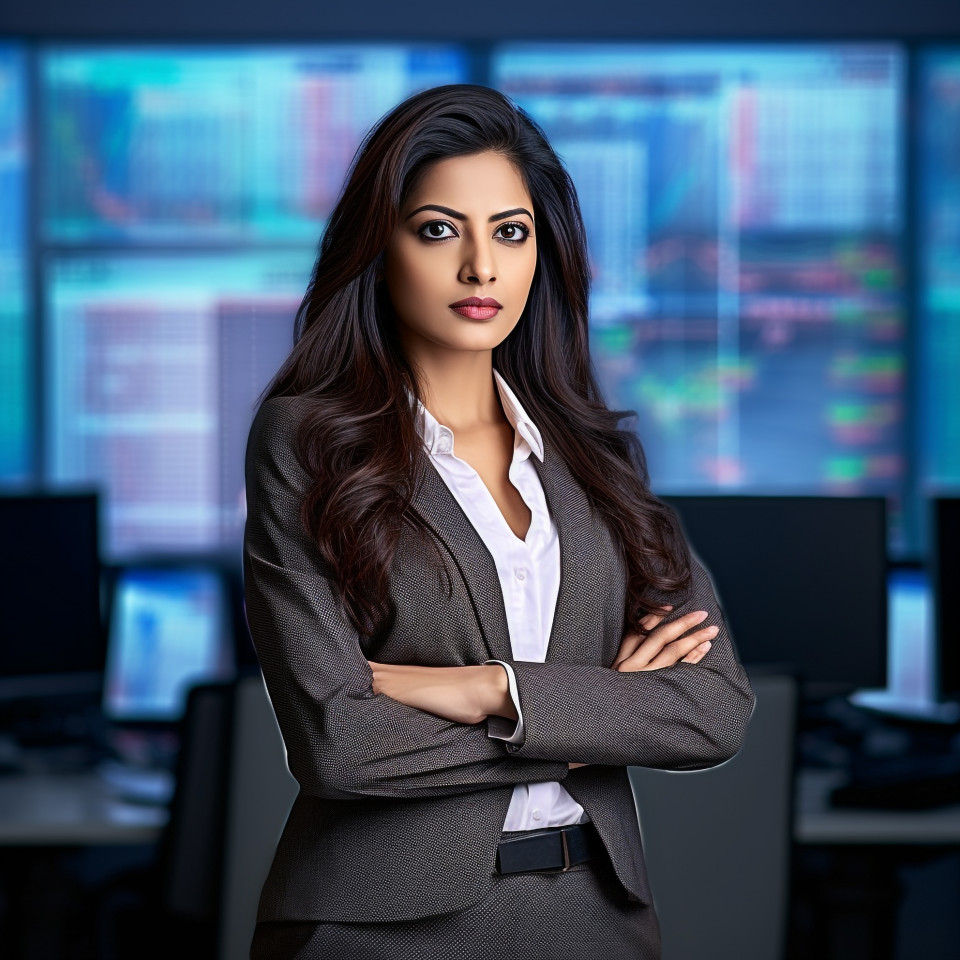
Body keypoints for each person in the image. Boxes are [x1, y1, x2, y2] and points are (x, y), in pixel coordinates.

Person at [243, 83, 756, 960]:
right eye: (439, 230)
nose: (481, 267)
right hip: (380, 927)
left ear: (540, 253)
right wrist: (589, 722)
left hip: (596, 916)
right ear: (380, 249)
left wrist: (491, 691)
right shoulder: (307, 442)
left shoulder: (596, 459)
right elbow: (339, 743)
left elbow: (713, 709)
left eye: (510, 232)